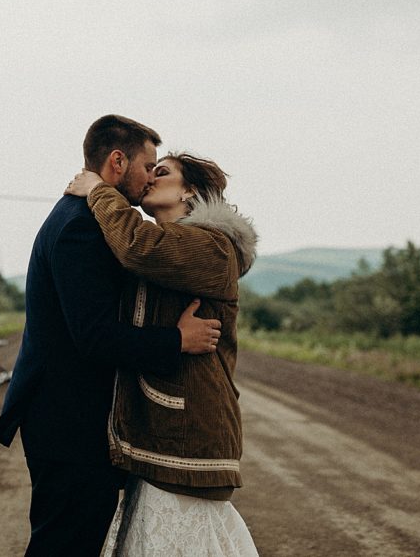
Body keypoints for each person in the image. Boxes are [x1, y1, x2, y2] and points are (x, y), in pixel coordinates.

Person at [0, 115, 223, 556]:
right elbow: (94, 337)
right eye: (147, 164)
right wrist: (176, 341)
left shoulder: (88, 217)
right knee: (63, 546)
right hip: (69, 423)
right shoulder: (82, 226)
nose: (150, 175)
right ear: (118, 161)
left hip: (70, 422)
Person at [65, 151, 259, 556]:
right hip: (157, 436)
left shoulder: (214, 247)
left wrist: (100, 191)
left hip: (188, 436)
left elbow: (140, 246)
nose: (150, 178)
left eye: (163, 172)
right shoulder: (174, 249)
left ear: (190, 190)